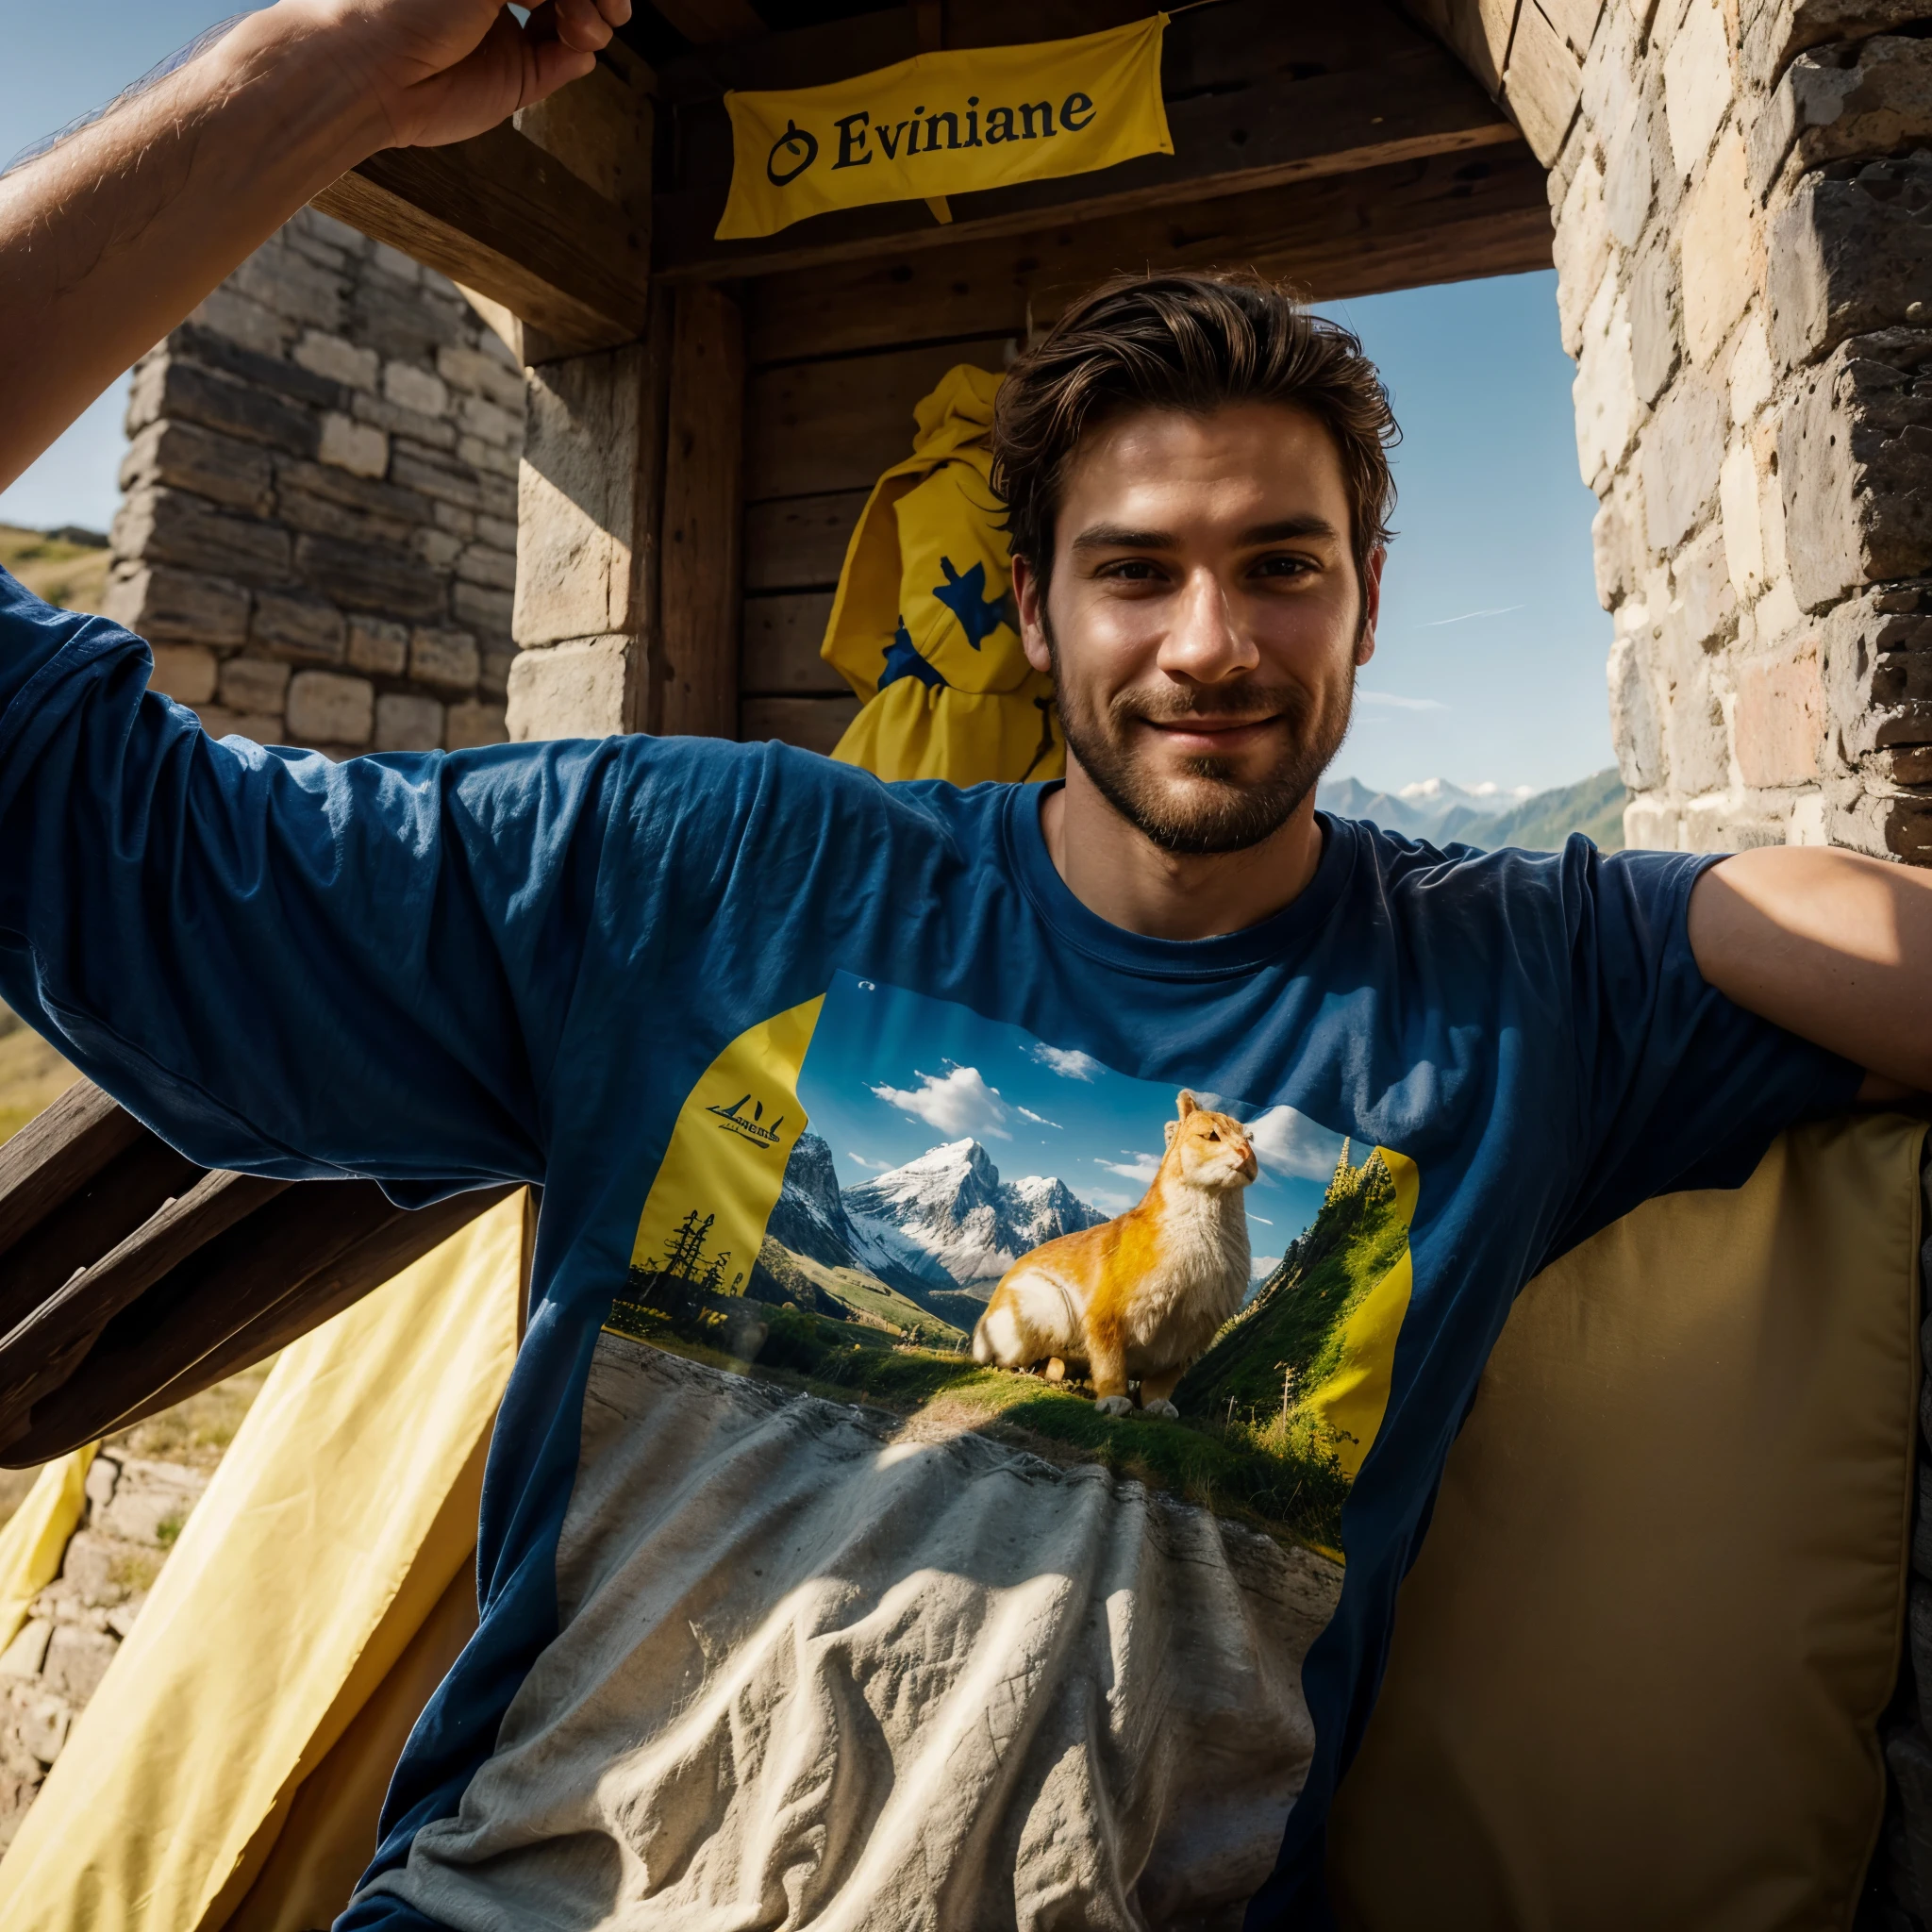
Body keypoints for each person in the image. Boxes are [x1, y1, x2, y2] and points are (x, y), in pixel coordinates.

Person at [3, 4, 1929, 1926]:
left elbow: (1816, 948)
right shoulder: (689, 873)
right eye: (1132, 569)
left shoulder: (1523, 982)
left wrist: (1728, 894)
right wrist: (313, 69)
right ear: (1026, 608)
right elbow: (85, 814)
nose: (1209, 642)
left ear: (1362, 599)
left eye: (1282, 563)